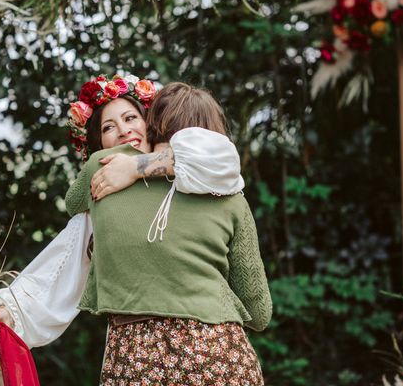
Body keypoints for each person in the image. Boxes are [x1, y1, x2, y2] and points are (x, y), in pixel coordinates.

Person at [64, 81, 271, 385]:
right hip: (222, 356)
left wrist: (138, 165)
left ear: (153, 123)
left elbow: (73, 203)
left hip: (137, 360)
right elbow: (259, 313)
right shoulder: (232, 199)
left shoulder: (104, 166)